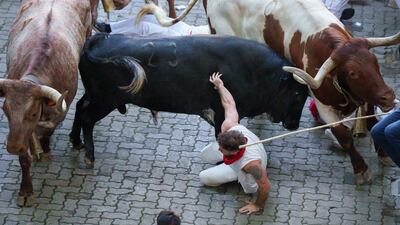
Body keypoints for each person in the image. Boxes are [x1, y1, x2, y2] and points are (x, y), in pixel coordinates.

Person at [199, 72, 271, 215]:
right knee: (204, 155)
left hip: (245, 167)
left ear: (234, 151)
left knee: (204, 177)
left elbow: (265, 186)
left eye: (222, 149)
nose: (219, 149)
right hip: (247, 152)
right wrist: (220, 85)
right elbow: (229, 104)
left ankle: (238, 179)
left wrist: (257, 205)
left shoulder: (251, 165)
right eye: (220, 145)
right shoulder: (229, 126)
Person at [95, 14, 210, 35]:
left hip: (189, 40)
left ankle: (109, 37)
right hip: (192, 29)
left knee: (145, 27)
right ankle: (109, 28)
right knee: (149, 17)